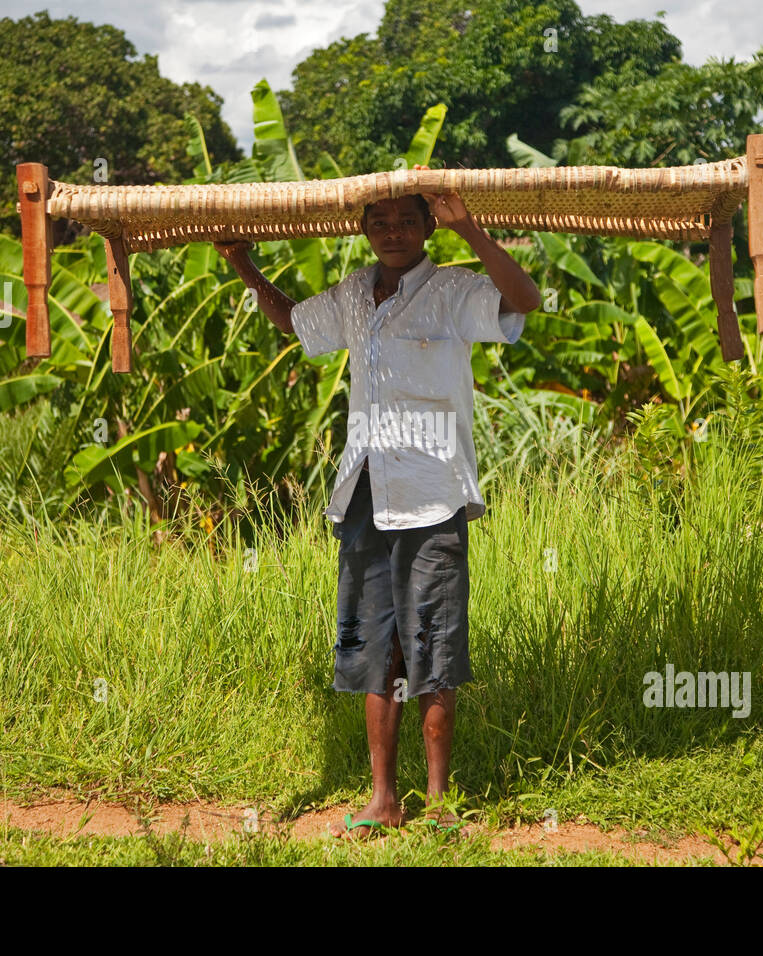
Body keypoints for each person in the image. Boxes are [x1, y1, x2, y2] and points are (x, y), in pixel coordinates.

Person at [214, 168, 539, 838]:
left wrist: (469, 229)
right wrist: (245, 266)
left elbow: (525, 299)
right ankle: (384, 799)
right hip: (363, 491)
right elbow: (295, 321)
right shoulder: (355, 295)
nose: (393, 232)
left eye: (407, 221)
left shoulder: (454, 290)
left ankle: (442, 801)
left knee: (433, 644)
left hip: (432, 491)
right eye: (380, 222)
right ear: (364, 230)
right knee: (375, 650)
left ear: (426, 226)